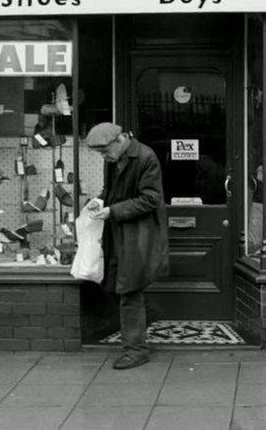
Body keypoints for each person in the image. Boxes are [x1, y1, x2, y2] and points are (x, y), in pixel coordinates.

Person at [85, 122, 169, 370]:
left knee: (129, 289)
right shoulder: (112, 159)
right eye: (100, 153)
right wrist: (99, 202)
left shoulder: (146, 157)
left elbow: (152, 199)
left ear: (120, 140)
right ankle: (146, 316)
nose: (104, 157)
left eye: (105, 151)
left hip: (139, 233)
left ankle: (136, 351)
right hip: (117, 231)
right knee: (111, 283)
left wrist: (113, 210)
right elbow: (109, 190)